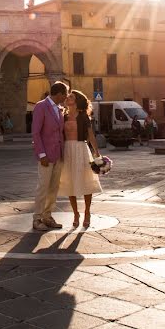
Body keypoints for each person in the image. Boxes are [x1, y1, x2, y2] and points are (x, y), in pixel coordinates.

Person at [58, 90, 102, 228]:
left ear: (76, 101)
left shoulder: (83, 116)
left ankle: (87, 212)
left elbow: (90, 135)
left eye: (71, 96)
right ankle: (76, 213)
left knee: (85, 180)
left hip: (81, 149)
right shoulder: (63, 116)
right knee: (70, 182)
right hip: (67, 150)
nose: (67, 98)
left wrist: (97, 153)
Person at [31, 81, 68, 232]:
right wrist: (42, 154)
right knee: (43, 187)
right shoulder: (41, 106)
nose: (66, 97)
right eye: (65, 94)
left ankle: (48, 216)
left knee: (53, 188)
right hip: (46, 156)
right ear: (59, 94)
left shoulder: (59, 109)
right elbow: (35, 132)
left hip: (58, 155)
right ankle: (37, 218)